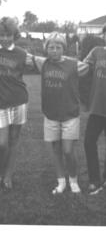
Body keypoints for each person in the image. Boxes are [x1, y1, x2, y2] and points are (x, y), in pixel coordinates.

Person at [29, 32, 89, 194]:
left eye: (58, 47)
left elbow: (90, 65)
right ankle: (61, 181)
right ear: (46, 49)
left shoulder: (74, 64)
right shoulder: (43, 63)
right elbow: (24, 55)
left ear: (64, 48)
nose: (54, 50)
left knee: (68, 150)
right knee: (55, 150)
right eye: (51, 47)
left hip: (70, 114)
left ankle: (74, 180)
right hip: (50, 114)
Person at [0, 17, 29, 189]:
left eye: (9, 35)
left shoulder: (22, 54)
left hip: (19, 101)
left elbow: (35, 64)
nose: (5, 38)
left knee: (14, 140)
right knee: (2, 143)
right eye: (2, 35)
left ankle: (8, 175)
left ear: (14, 35)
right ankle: (1, 171)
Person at [82, 24, 106, 195]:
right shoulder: (97, 51)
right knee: (89, 142)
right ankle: (94, 180)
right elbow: (82, 67)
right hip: (98, 107)